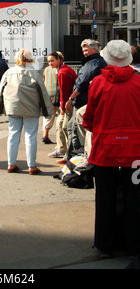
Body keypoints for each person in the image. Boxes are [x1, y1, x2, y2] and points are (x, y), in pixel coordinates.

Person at [82, 40, 140, 257]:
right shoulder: (138, 83)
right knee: (134, 196)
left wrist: (94, 127)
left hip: (105, 148)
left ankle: (105, 243)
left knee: (104, 196)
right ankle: (133, 243)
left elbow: (89, 117)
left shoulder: (98, 82)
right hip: (135, 151)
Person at [0, 49, 52, 175]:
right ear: (30, 59)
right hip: (31, 108)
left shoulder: (9, 72)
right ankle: (31, 166)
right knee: (30, 137)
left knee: (13, 135)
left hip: (13, 107)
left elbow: (0, 90)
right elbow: (43, 93)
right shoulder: (34, 73)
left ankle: (11, 164)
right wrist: (48, 111)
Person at [62, 39, 107, 164]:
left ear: (94, 49)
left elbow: (82, 84)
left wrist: (71, 98)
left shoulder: (93, 64)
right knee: (72, 127)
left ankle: (76, 156)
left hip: (84, 101)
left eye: (86, 50)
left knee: (74, 128)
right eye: (83, 51)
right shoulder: (96, 62)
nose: (84, 53)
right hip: (87, 100)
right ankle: (71, 156)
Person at [46, 52, 78, 159]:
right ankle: (63, 148)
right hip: (69, 102)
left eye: (52, 61)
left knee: (63, 126)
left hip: (68, 103)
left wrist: (63, 108)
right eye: (49, 61)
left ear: (58, 60)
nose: (50, 63)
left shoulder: (63, 72)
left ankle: (65, 149)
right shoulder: (63, 70)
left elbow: (65, 91)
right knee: (61, 125)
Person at [42, 58, 59, 144]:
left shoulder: (46, 69)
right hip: (58, 96)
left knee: (49, 116)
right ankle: (61, 138)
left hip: (48, 95)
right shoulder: (58, 70)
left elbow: (44, 80)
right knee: (60, 117)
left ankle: (45, 134)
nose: (50, 63)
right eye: (49, 61)